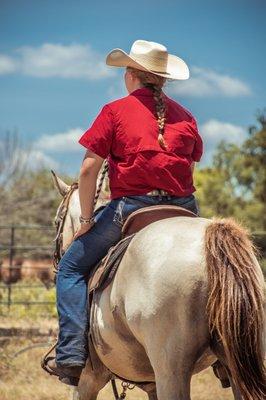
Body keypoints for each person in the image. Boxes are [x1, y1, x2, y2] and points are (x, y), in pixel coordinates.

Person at [47, 39, 203, 384]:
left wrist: (86, 220)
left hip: (134, 206)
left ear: (132, 74)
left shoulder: (115, 111)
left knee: (70, 269)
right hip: (184, 209)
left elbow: (89, 170)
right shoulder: (186, 117)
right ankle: (224, 356)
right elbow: (191, 158)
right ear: (162, 79)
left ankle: (72, 354)